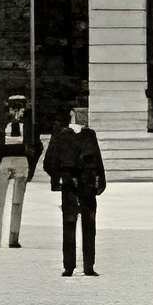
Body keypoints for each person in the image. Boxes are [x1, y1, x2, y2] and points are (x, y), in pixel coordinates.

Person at [45, 103, 107, 278]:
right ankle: (77, 265)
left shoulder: (84, 135)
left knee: (80, 224)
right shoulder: (69, 135)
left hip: (81, 183)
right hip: (76, 184)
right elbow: (50, 162)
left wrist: (100, 180)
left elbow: (97, 159)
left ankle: (80, 266)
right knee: (77, 224)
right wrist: (61, 177)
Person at [0, 94, 38, 250]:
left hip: (21, 161)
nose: (16, 112)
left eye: (20, 108)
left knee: (17, 201)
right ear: (8, 109)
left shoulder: (29, 125)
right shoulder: (4, 124)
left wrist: (30, 162)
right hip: (5, 161)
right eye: (13, 108)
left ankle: (13, 238)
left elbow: (36, 146)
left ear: (24, 109)